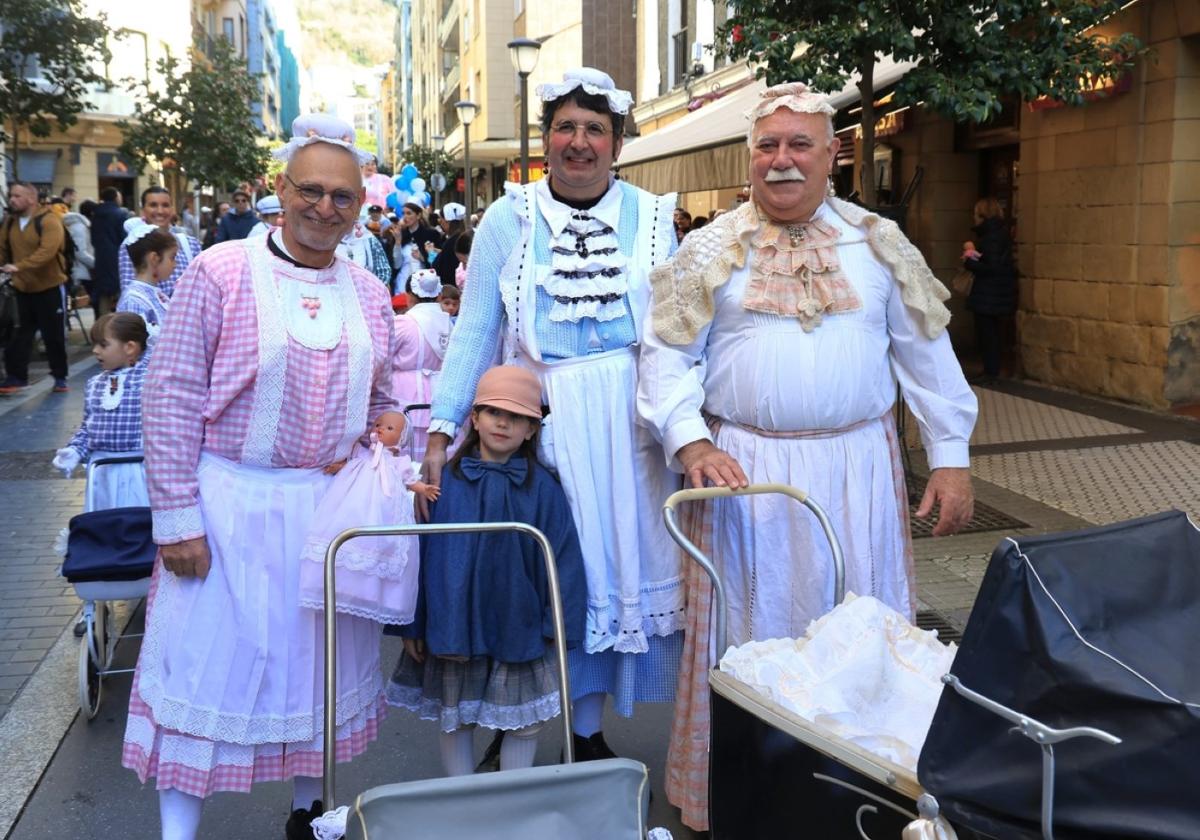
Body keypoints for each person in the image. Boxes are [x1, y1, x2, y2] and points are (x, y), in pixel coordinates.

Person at [636, 82, 978, 831]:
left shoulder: (879, 243)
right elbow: (664, 357)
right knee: (751, 635)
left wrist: (951, 456)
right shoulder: (710, 247)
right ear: (749, 156)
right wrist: (689, 438)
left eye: (800, 146)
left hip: (858, 471)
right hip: (746, 479)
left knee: (860, 634)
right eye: (768, 145)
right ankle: (747, 799)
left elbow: (927, 357)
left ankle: (859, 800)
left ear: (832, 156)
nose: (782, 161)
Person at [120, 114, 397, 840]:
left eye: (343, 197)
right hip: (227, 508)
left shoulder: (369, 294)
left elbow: (380, 397)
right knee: (203, 671)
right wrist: (175, 519)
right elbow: (172, 394)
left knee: (319, 674)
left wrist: (383, 430)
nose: (325, 208)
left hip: (325, 511)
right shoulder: (218, 271)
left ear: (360, 204)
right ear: (281, 188)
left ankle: (309, 818)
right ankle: (178, 833)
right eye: (311, 190)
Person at [423, 68, 683, 762]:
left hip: (631, 424)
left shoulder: (655, 218)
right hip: (539, 421)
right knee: (542, 577)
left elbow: (681, 334)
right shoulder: (509, 217)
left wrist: (691, 430)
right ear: (546, 140)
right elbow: (476, 328)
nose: (579, 142)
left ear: (618, 142)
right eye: (565, 127)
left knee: (610, 575)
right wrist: (443, 425)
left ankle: (588, 732)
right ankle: (515, 724)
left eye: (595, 128)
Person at [389, 365, 587, 776]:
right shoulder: (442, 485)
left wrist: (559, 626)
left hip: (519, 625)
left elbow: (562, 558)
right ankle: (463, 800)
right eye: (493, 411)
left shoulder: (544, 489)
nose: (503, 422)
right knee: (456, 717)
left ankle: (510, 797)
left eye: (516, 417)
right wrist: (415, 624)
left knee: (525, 721)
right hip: (454, 625)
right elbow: (419, 558)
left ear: (532, 429)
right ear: (474, 418)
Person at [297, 410, 439, 623]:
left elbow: (409, 481)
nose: (380, 429)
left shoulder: (399, 463)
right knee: (343, 536)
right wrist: (338, 466)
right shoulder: (361, 453)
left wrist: (423, 488)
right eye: (378, 424)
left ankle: (369, 589)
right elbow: (348, 463)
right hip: (354, 505)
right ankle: (339, 582)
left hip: (384, 510)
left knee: (379, 544)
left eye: (389, 428)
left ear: (401, 437)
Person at [52, 313, 151, 507]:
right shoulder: (95, 384)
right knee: (104, 527)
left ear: (130, 347)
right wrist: (75, 450)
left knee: (139, 526)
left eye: (103, 345)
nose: (96, 351)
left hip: (140, 471)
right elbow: (88, 428)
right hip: (102, 473)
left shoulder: (151, 381)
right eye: (95, 344)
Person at [0, 181, 70, 394]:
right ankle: (16, 377)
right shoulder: (10, 222)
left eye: (17, 196)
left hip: (49, 286)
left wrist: (18, 267)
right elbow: (2, 248)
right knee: (18, 333)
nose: (12, 199)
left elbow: (47, 252)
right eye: (11, 195)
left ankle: (60, 377)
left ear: (31, 198)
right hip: (22, 287)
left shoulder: (49, 220)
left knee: (53, 335)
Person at [391, 268, 452, 463]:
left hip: (405, 392)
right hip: (441, 391)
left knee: (404, 457)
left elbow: (382, 355)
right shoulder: (448, 323)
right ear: (438, 294)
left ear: (409, 295)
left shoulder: (404, 323)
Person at [962, 197, 1018, 382]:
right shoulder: (998, 233)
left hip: (990, 292)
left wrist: (969, 262)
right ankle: (990, 369)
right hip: (996, 291)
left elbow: (991, 267)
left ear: (983, 215)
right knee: (991, 332)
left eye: (976, 214)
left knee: (988, 333)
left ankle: (991, 371)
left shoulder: (991, 236)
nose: (973, 217)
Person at [118, 187, 202, 298]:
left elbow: (202, 287)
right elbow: (130, 292)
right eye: (153, 205)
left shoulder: (190, 244)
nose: (160, 211)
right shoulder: (132, 244)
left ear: (172, 209)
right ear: (143, 210)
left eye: (165, 205)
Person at [116, 223, 177, 351]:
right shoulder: (134, 300)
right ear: (154, 258)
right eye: (172, 257)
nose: (175, 264)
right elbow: (133, 352)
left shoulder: (155, 294)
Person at [90, 187, 129, 317]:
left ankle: (102, 326)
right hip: (117, 259)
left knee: (103, 294)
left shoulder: (95, 215)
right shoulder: (119, 214)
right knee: (119, 292)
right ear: (115, 198)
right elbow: (124, 238)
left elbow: (93, 238)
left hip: (100, 258)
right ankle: (118, 326)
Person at [61, 198, 96, 299]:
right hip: (82, 272)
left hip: (83, 271)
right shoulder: (79, 228)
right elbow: (80, 252)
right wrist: (96, 264)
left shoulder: (81, 226)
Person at [428, 202, 466, 288]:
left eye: (441, 219)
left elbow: (442, 267)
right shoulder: (461, 237)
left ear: (447, 221)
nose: (440, 222)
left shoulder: (452, 242)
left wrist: (431, 253)